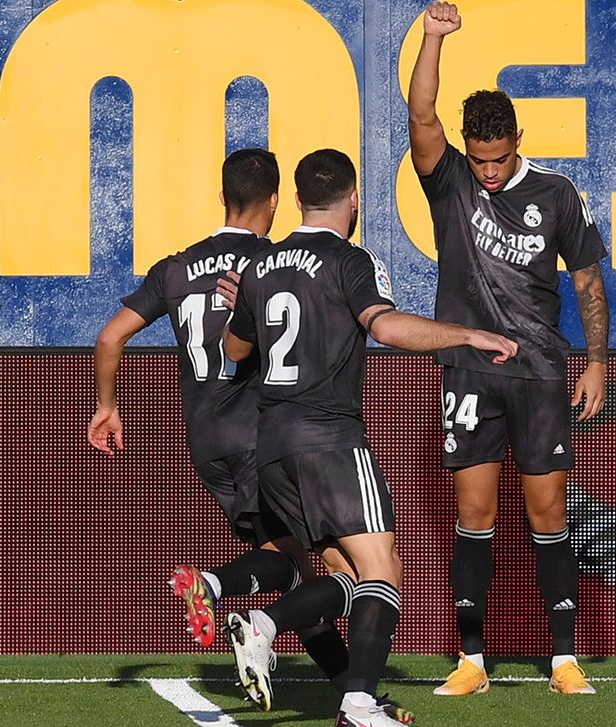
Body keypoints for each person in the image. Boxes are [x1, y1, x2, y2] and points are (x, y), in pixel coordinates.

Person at [221, 149, 518, 726]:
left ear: (299, 201)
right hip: (329, 437)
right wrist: (469, 336)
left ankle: (272, 629)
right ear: (353, 199)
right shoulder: (352, 260)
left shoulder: (260, 266)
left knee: (346, 577)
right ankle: (355, 702)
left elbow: (236, 350)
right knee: (384, 569)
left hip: (272, 445)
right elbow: (384, 326)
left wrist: (248, 306)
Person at [87, 148, 350, 700]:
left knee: (287, 565)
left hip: (207, 442)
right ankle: (215, 587)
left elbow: (110, 337)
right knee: (339, 564)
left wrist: (107, 407)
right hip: (265, 438)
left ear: (222, 198)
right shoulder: (276, 264)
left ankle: (346, 687)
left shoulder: (175, 267)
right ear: (277, 201)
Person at [407, 1, 611, 697]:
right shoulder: (453, 181)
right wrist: (432, 38)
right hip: (467, 372)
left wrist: (598, 361)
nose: (488, 172)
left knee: (549, 512)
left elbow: (587, 281)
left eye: (497, 158)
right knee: (474, 514)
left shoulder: (556, 195)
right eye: (479, 158)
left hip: (539, 374)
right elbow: (423, 116)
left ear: (517, 140)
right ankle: (472, 659)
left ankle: (562, 658)